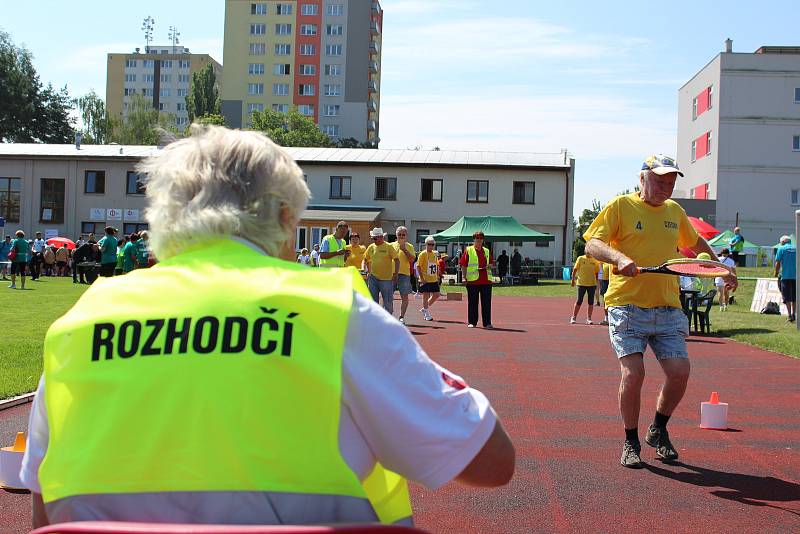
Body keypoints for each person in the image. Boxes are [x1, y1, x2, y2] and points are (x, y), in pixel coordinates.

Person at [20, 125, 515, 528]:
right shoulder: (331, 307)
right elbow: (491, 461)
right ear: (282, 219)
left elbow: (45, 513)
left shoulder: (82, 320)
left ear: (163, 218)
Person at [584, 154, 737, 469]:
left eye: (671, 182)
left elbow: (696, 246)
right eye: (659, 181)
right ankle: (630, 441)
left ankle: (658, 428)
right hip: (627, 305)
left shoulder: (674, 211)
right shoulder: (620, 207)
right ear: (642, 179)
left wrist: (720, 269)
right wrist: (618, 258)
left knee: (680, 373)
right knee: (634, 373)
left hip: (668, 306)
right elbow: (592, 245)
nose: (666, 187)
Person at [460, 231, 495, 329]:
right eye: (477, 238)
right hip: (472, 281)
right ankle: (472, 322)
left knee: (486, 303)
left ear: (483, 240)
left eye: (480, 238)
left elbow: (492, 263)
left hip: (486, 281)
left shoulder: (487, 251)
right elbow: (463, 264)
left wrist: (490, 266)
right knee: (472, 303)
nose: (479, 240)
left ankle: (487, 323)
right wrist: (464, 277)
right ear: (473, 240)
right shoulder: (469, 250)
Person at [363, 227, 399, 314]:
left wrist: (396, 273)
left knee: (388, 302)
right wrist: (366, 270)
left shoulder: (389, 246)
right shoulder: (371, 247)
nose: (373, 240)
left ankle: (388, 321)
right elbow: (365, 259)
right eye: (373, 238)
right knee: (373, 302)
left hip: (386, 279)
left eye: (375, 238)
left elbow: (397, 260)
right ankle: (375, 321)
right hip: (373, 278)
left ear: (381, 237)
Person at [392, 226, 416, 323]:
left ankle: (401, 317)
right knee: (388, 296)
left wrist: (404, 250)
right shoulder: (391, 245)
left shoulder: (410, 246)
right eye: (399, 234)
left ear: (406, 236)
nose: (401, 236)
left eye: (403, 235)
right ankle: (389, 316)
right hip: (391, 274)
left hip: (404, 274)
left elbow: (412, 260)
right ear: (396, 235)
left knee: (404, 296)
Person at [570, 253, 600, 324]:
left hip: (592, 284)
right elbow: (575, 270)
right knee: (579, 300)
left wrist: (597, 282)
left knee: (591, 302)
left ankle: (589, 318)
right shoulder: (580, 258)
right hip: (581, 283)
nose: (588, 252)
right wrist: (573, 280)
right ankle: (573, 317)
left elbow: (596, 273)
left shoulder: (594, 260)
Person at [416, 236, 441, 321]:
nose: (431, 246)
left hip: (433, 279)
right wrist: (422, 278)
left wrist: (437, 276)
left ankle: (424, 308)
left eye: (432, 244)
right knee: (425, 296)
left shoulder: (434, 254)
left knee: (436, 294)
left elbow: (436, 265)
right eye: (429, 244)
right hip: (425, 279)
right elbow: (418, 266)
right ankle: (426, 312)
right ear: (426, 244)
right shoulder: (423, 254)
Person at [775, 235, 796, 322]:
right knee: (795, 297)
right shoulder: (797, 248)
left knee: (786, 297)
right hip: (796, 277)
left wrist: (776, 272)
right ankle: (794, 314)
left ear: (783, 242)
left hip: (785, 276)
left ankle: (789, 315)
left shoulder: (781, 249)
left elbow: (778, 263)